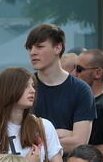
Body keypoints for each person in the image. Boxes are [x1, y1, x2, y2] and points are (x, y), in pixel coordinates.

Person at [26, 24, 96, 154]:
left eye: (39, 47)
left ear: (58, 47)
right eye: (30, 48)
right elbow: (19, 139)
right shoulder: (24, 87)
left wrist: (39, 140)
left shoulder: (81, 90)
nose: (32, 52)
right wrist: (61, 133)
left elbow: (79, 142)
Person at [72, 49, 103, 160]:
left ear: (98, 73)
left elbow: (102, 154)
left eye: (79, 69)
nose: (74, 74)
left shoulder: (101, 107)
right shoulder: (94, 103)